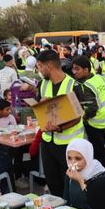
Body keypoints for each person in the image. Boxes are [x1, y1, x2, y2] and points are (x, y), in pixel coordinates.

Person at [36, 50, 85, 197]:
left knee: (71, 182)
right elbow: (40, 107)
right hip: (47, 142)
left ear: (49, 66)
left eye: (40, 66)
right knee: (52, 181)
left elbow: (78, 115)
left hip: (70, 145)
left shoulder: (73, 85)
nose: (39, 70)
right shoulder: (42, 84)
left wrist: (60, 127)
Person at [71, 56, 105, 170]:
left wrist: (82, 117)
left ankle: (102, 176)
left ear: (86, 70)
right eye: (73, 69)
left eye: (77, 69)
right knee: (100, 151)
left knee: (98, 154)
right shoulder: (100, 78)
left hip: (94, 123)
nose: (74, 72)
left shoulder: (86, 86)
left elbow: (92, 108)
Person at [63, 139, 105, 209]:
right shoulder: (71, 173)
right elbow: (67, 199)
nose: (72, 162)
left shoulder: (99, 175)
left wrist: (80, 181)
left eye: (78, 158)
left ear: (87, 157)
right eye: (69, 158)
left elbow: (96, 204)